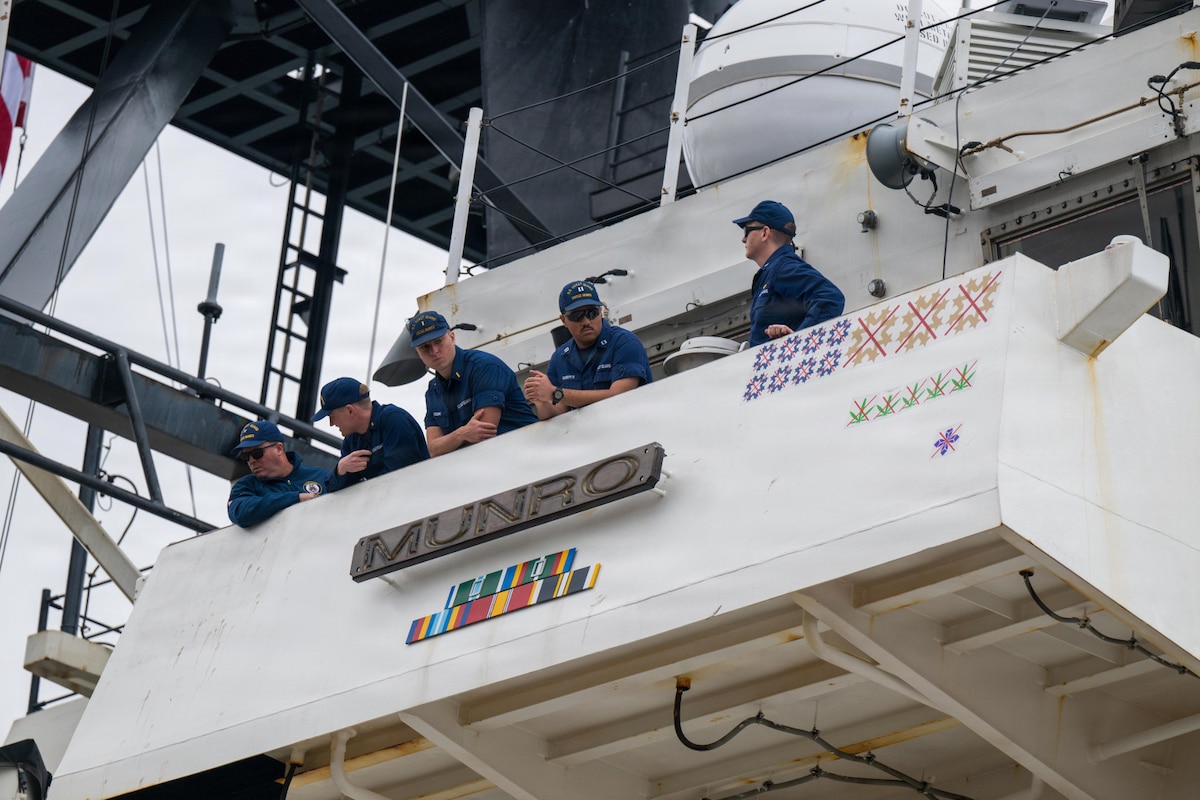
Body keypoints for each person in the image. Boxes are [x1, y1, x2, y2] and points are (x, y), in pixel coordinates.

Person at [409, 310, 537, 455]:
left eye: (438, 341)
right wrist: (461, 434)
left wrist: (449, 442)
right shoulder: (433, 390)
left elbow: (484, 433)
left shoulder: (484, 367)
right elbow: (433, 449)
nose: (434, 351)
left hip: (527, 453)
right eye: (425, 347)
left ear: (452, 338)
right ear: (418, 353)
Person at [523, 280, 652, 420]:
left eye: (591, 313)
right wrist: (541, 401)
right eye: (576, 316)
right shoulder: (559, 358)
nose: (586, 322)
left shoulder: (625, 343)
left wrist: (556, 394)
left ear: (601, 312)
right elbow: (555, 414)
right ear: (563, 320)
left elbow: (619, 397)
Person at [732, 200, 844, 346]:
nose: (743, 239)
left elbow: (830, 298)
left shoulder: (783, 268)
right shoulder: (772, 272)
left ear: (765, 233)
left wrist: (799, 341)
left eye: (747, 231)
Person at [312, 377, 429, 489]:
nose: (331, 424)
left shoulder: (394, 419)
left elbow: (398, 476)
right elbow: (332, 488)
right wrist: (340, 470)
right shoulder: (351, 440)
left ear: (350, 410)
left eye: (332, 417)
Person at [227, 420, 333, 527]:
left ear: (278, 449)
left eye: (257, 453)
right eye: (246, 456)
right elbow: (239, 513)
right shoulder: (247, 486)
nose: (251, 461)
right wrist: (295, 498)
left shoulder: (322, 477)